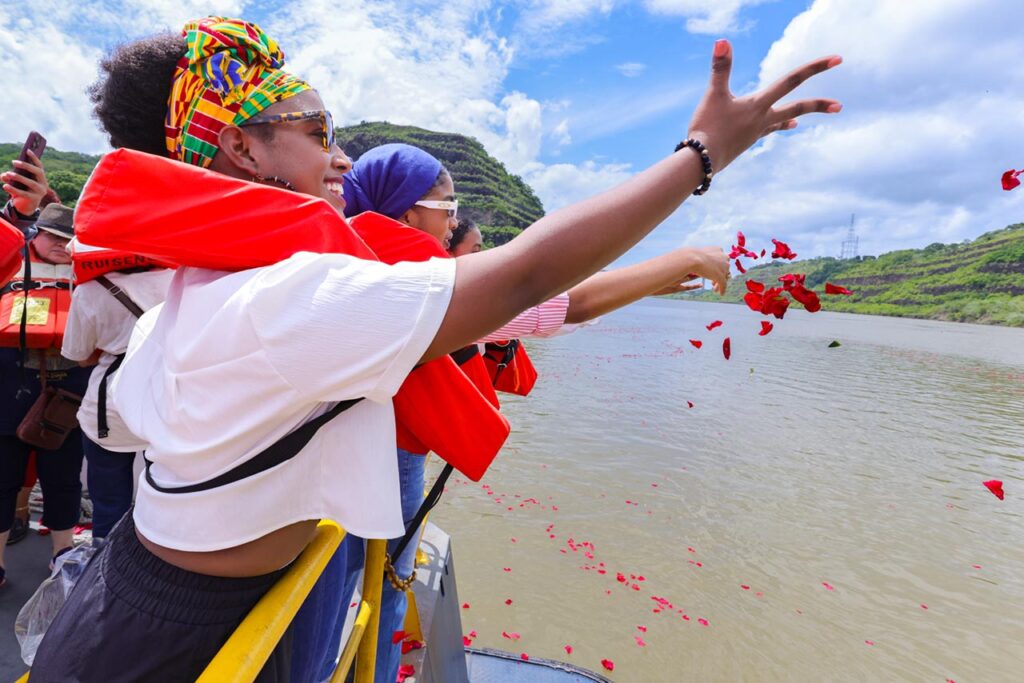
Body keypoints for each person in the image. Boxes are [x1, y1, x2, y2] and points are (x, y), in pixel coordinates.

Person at [31, 16, 841, 681]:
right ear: (242, 149)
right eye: (317, 131)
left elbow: (124, 420)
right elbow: (533, 274)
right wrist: (699, 157)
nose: (340, 154)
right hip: (176, 642)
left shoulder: (196, 292)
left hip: (140, 591)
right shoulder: (282, 299)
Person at [317, 143, 732, 682]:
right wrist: (683, 256)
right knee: (375, 596)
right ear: (407, 213)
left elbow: (548, 309)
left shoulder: (355, 268)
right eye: (447, 206)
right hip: (381, 464)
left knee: (356, 595)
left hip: (360, 461)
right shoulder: (405, 289)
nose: (454, 221)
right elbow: (554, 303)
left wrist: (648, 281)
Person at [0, 204, 92, 585]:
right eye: (53, 235)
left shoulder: (89, 275)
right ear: (34, 233)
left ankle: (62, 555)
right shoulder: (8, 265)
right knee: (2, 478)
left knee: (64, 479)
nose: (61, 244)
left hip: (67, 391)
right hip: (8, 386)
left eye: (68, 238)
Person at [61, 260, 174, 538]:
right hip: (167, 403)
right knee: (166, 501)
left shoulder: (90, 290)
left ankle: (105, 570)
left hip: (108, 410)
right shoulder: (180, 278)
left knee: (109, 504)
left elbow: (77, 354)